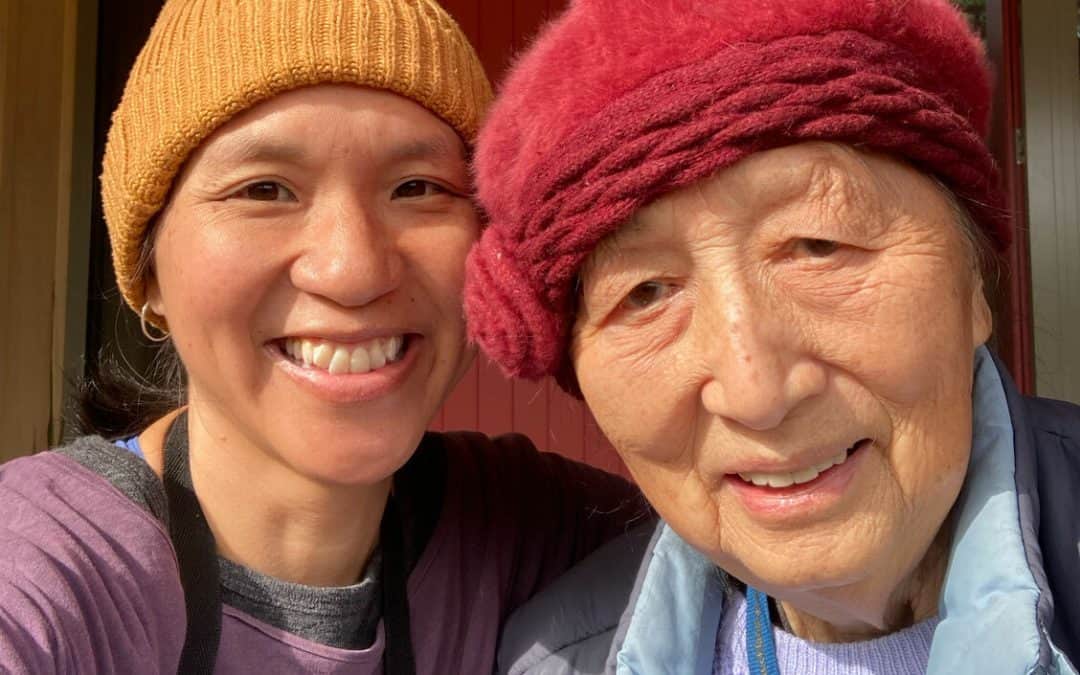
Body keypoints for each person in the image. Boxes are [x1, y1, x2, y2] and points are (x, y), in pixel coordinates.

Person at [0, 1, 645, 673]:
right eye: (265, 190)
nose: (354, 269)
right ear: (148, 270)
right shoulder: (44, 571)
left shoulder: (542, 538)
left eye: (418, 187)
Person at [463, 0, 1080, 673]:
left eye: (819, 244)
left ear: (971, 286)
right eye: (646, 292)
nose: (756, 393)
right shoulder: (553, 658)